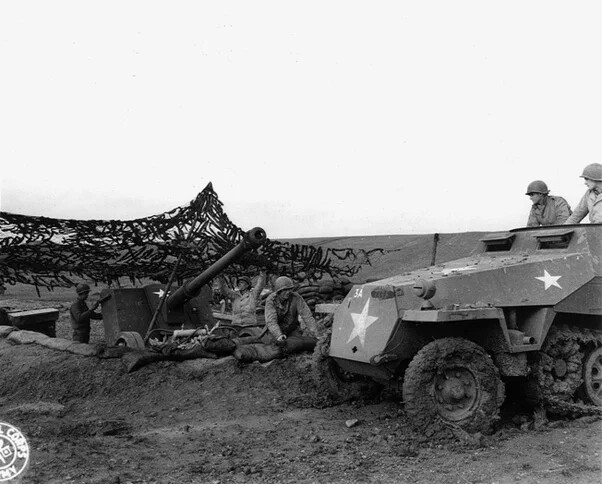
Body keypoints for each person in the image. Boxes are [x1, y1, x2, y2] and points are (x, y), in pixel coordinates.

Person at [263, 276, 319, 346]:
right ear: (279, 291)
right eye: (285, 290)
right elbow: (271, 321)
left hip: (291, 329)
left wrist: (315, 333)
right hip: (275, 330)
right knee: (275, 347)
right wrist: (279, 335)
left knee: (299, 344)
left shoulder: (296, 297)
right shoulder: (271, 300)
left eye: (289, 289)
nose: (288, 292)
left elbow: (307, 316)